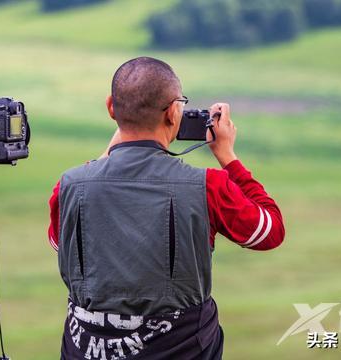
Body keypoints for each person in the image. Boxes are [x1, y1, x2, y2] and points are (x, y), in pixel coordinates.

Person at [48, 57, 285, 360]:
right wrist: (228, 156)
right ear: (174, 113)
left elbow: (59, 241)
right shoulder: (209, 186)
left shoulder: (67, 186)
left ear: (111, 108)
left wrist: (111, 152)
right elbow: (270, 231)